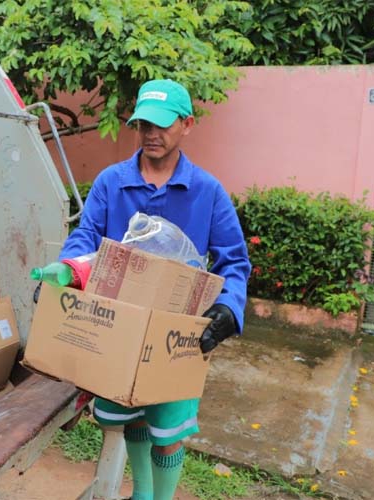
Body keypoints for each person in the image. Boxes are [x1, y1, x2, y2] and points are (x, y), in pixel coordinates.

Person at [58, 79, 251, 500]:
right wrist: (67, 271)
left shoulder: (207, 192)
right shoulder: (113, 182)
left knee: (168, 428)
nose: (151, 133)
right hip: (119, 329)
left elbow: (234, 260)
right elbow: (85, 235)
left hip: (177, 333)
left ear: (187, 124)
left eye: (162, 124)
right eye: (144, 123)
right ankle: (142, 494)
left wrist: (228, 308)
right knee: (130, 415)